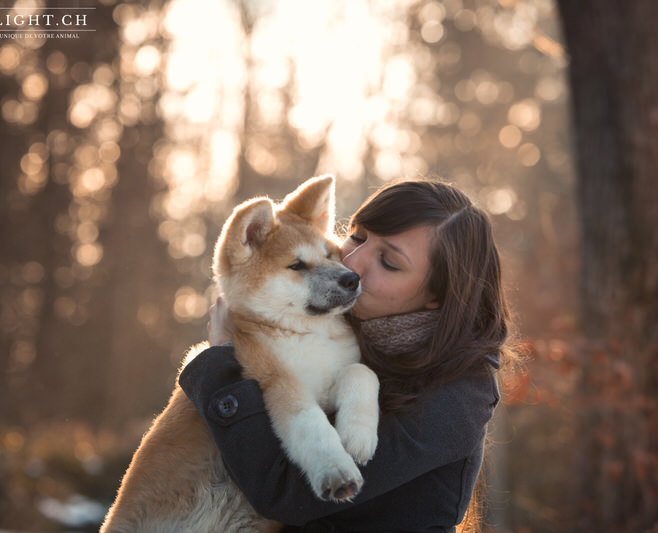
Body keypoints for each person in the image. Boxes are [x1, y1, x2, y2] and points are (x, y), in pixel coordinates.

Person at [179, 179, 515, 532]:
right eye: (357, 235)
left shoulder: (457, 397)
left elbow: (285, 493)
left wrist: (223, 363)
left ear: (437, 295)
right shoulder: (336, 331)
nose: (351, 262)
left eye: (388, 261)